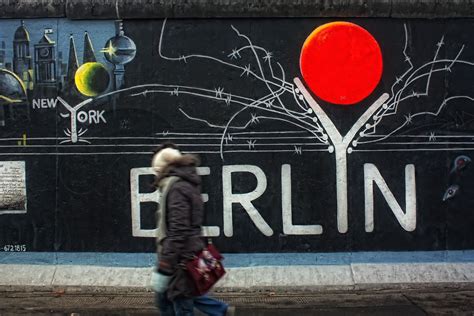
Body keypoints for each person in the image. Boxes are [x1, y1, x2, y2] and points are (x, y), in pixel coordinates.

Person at [150, 143, 234, 316]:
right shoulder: (186, 184)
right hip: (184, 254)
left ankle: (222, 311)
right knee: (170, 298)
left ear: (163, 169)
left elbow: (179, 229)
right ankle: (222, 311)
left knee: (179, 300)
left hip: (180, 257)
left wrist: (166, 261)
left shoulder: (176, 188)